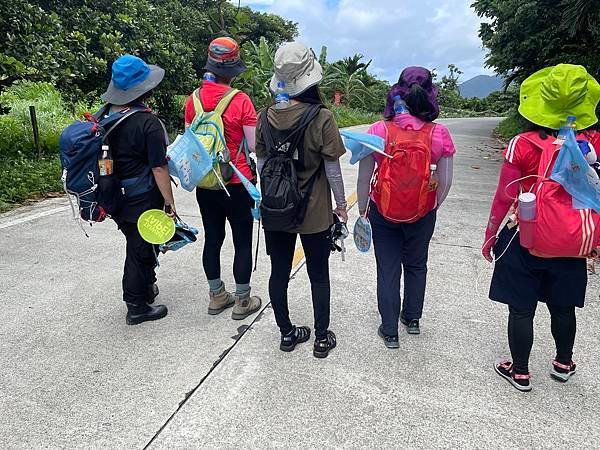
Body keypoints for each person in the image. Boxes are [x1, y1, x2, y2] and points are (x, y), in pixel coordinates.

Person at [482, 64, 600, 392]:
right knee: (563, 306)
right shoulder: (595, 146)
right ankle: (564, 363)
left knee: (521, 308)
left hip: (525, 236)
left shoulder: (522, 144)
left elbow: (504, 198)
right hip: (572, 239)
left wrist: (491, 235)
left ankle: (520, 372)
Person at [256, 42, 347, 358]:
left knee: (278, 271)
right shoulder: (321, 117)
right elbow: (333, 169)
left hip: (276, 208)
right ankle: (322, 339)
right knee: (318, 274)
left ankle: (286, 334)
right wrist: (342, 207)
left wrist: (267, 198)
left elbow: (262, 165)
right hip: (314, 211)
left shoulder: (265, 116)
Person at [357, 67, 455, 348]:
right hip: (422, 212)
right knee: (416, 264)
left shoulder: (378, 129)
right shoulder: (439, 133)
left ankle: (389, 331)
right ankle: (411, 319)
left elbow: (364, 178)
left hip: (383, 209)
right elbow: (446, 181)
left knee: (387, 268)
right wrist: (431, 205)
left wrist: (364, 210)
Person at [184, 37, 261, 320]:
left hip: (206, 182)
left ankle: (217, 296)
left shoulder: (192, 100)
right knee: (241, 241)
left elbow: (190, 144)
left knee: (212, 238)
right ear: (233, 69)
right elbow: (253, 146)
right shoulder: (240, 101)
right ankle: (242, 301)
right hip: (236, 181)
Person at [100, 54, 175, 325]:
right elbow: (159, 168)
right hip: (141, 197)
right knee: (139, 249)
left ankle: (145, 289)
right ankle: (136, 306)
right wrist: (169, 202)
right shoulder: (147, 123)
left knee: (137, 242)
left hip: (114, 194)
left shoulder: (106, 115)